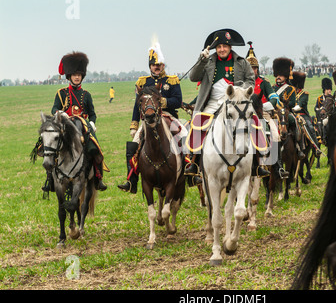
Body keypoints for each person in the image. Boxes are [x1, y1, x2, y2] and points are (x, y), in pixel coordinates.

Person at [185, 28, 265, 178]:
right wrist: (201, 60)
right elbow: (193, 77)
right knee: (196, 123)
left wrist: (239, 90)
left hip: (236, 101)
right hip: (213, 102)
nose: (221, 49)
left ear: (230, 47)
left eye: (224, 46)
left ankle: (258, 164)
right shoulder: (207, 61)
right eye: (219, 47)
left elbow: (250, 80)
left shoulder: (242, 62)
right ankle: (194, 162)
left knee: (256, 123)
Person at [117, 41, 183, 193]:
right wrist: (134, 125)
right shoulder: (143, 82)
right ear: (150, 66)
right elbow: (137, 105)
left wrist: (164, 102)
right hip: (148, 120)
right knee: (133, 145)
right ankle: (131, 180)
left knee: (184, 137)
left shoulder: (171, 80)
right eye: (154, 65)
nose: (156, 67)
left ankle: (189, 171)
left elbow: (178, 101)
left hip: (169, 117)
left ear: (163, 65)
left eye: (159, 64)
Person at [47, 51, 108, 191]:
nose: (76, 77)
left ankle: (98, 178)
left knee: (95, 148)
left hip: (83, 127)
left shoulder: (86, 95)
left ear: (82, 77)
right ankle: (49, 180)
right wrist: (61, 113)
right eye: (74, 75)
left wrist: (92, 123)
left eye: (79, 75)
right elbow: (54, 109)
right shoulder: (61, 93)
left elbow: (93, 114)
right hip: (65, 126)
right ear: (69, 76)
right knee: (50, 148)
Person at [246, 41, 288, 179]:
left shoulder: (264, 83)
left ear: (257, 69)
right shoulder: (241, 83)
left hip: (262, 113)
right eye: (249, 68)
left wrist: (262, 106)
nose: (252, 71)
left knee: (275, 136)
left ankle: (278, 166)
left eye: (254, 68)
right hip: (244, 114)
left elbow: (274, 98)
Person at [272, 57, 306, 160]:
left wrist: (283, 104)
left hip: (287, 112)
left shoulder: (290, 88)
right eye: (277, 75)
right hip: (275, 113)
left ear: (285, 76)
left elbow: (293, 103)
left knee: (294, 121)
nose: (278, 77)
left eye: (281, 75)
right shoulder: (273, 88)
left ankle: (298, 146)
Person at [289, 71, 321, 155]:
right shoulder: (290, 94)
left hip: (302, 115)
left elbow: (299, 105)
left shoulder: (304, 94)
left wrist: (291, 109)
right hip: (292, 115)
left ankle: (316, 147)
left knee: (310, 127)